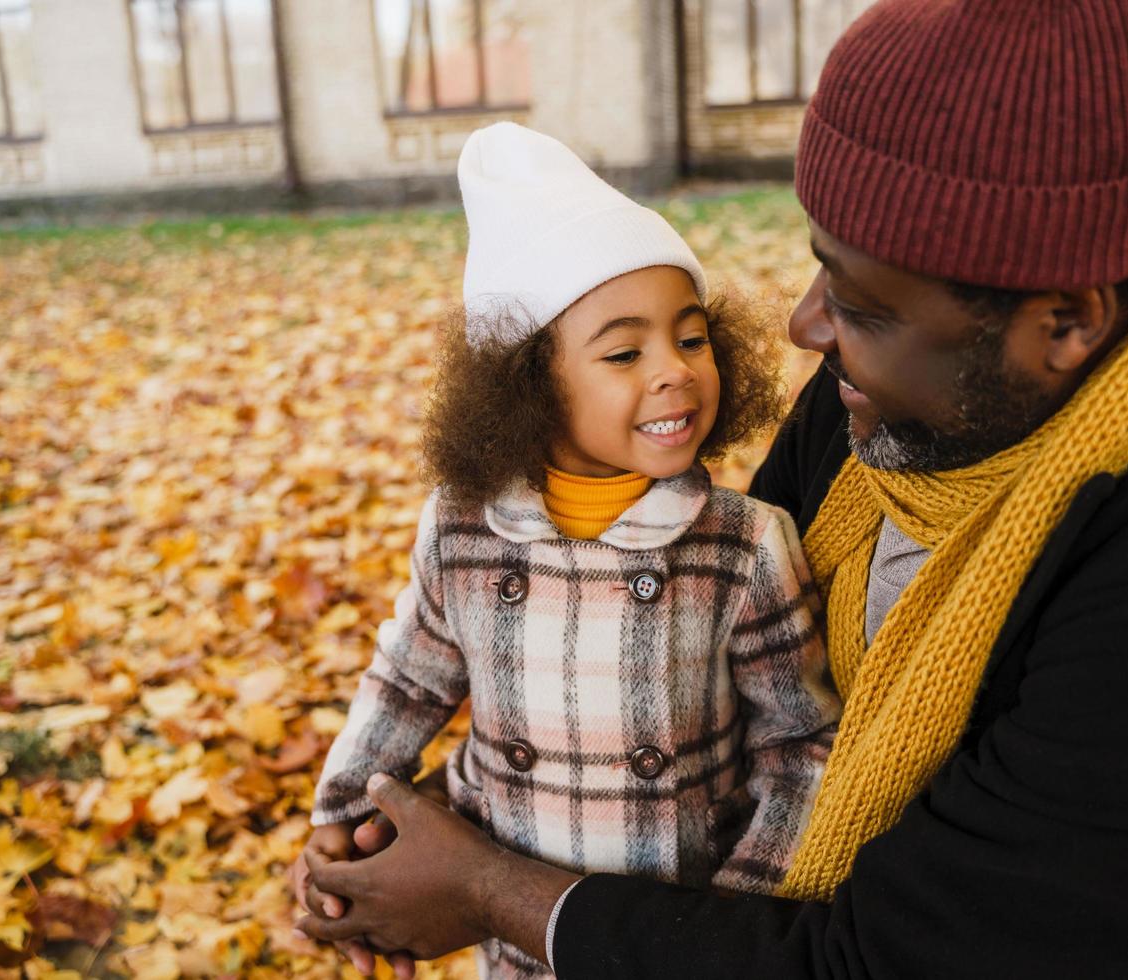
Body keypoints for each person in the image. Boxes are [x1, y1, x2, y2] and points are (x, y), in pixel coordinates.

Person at [294, 2, 1128, 976]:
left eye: (858, 301)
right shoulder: (906, 390)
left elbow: (896, 964)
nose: (805, 326)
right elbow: (686, 665)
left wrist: (494, 888)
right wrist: (406, 836)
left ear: (1066, 322)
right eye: (823, 270)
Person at [291, 122, 840, 979]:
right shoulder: (463, 531)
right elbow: (408, 677)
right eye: (624, 352)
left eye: (691, 338)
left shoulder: (741, 547)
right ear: (526, 386)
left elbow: (804, 743)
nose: (673, 371)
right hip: (512, 939)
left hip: (676, 931)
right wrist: (346, 813)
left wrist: (741, 905)